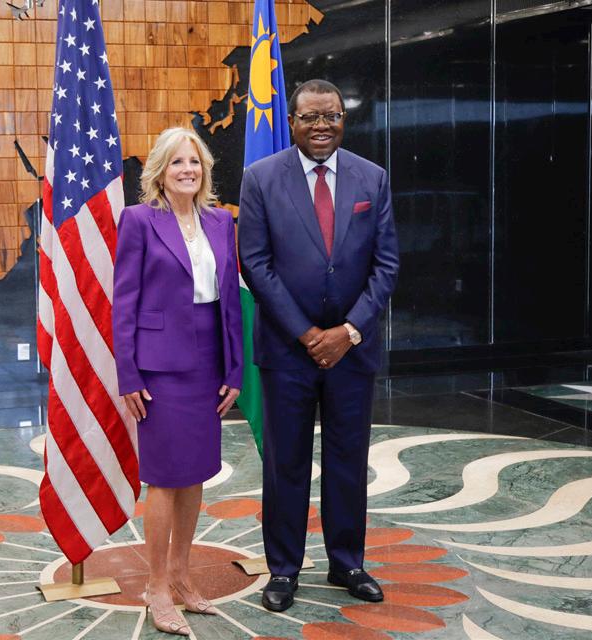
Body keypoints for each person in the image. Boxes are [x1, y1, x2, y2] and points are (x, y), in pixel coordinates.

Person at [238, 79, 400, 612]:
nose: (321, 126)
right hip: (288, 351)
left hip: (353, 349)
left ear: (343, 119)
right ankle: (284, 569)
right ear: (292, 122)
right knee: (286, 462)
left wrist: (347, 331)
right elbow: (255, 264)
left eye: (331, 115)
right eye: (310, 117)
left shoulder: (372, 178)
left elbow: (386, 264)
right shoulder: (261, 178)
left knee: (348, 459)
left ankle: (347, 562)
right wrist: (308, 335)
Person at [112, 127, 243, 635]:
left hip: (209, 363)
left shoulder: (220, 221)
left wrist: (235, 368)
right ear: (160, 173)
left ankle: (183, 576)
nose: (187, 170)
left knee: (196, 473)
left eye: (194, 162)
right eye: (177, 162)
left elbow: (230, 302)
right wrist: (128, 373)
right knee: (165, 478)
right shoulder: (139, 220)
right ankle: (156, 587)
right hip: (160, 368)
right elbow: (124, 302)